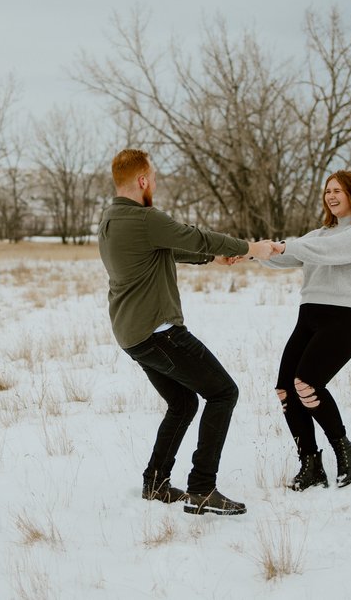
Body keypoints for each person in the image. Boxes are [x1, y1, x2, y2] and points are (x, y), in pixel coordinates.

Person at [98, 148, 282, 516]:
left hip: (133, 333)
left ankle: (156, 482)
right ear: (143, 180)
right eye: (155, 178)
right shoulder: (145, 218)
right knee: (223, 392)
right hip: (158, 332)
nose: (156, 184)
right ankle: (202, 489)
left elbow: (167, 251)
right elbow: (192, 236)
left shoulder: (112, 219)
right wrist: (252, 248)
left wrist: (214, 258)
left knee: (183, 403)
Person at [259, 170, 351, 490]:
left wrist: (284, 246)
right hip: (310, 316)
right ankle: (311, 464)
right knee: (286, 389)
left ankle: (344, 449)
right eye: (328, 191)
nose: (331, 196)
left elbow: (324, 252)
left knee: (307, 383)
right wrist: (253, 252)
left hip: (347, 318)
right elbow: (288, 257)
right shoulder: (319, 234)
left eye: (338, 191)